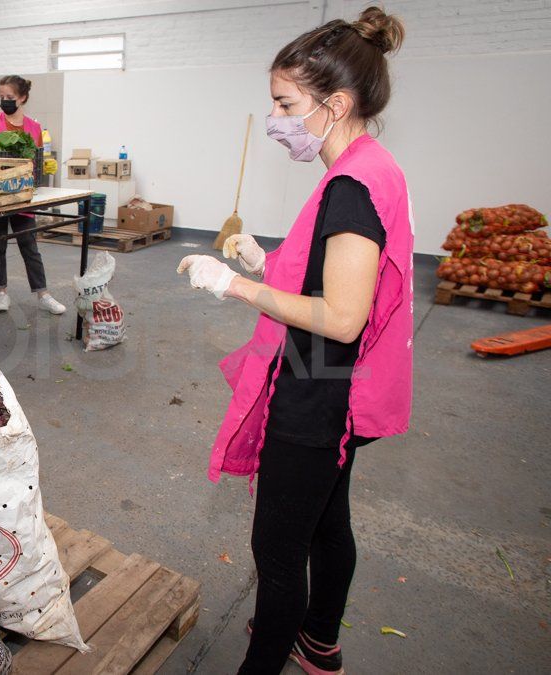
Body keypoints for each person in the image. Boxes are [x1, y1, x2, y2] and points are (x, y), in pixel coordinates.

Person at [176, 7, 412, 674]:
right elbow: (332, 271)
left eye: (285, 104)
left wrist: (237, 288)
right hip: (339, 380)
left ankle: (274, 651)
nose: (276, 119)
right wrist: (263, 260)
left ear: (334, 105)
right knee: (326, 521)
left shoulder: (353, 187)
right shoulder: (369, 167)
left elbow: (341, 316)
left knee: (278, 553)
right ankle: (320, 638)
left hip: (320, 389)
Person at [0, 75, 65, 316]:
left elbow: (37, 157)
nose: (5, 101)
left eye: (10, 97)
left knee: (29, 245)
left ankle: (43, 294)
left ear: (22, 98)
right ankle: (2, 293)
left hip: (21, 194)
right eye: (1, 97)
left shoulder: (34, 127)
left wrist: (46, 164)